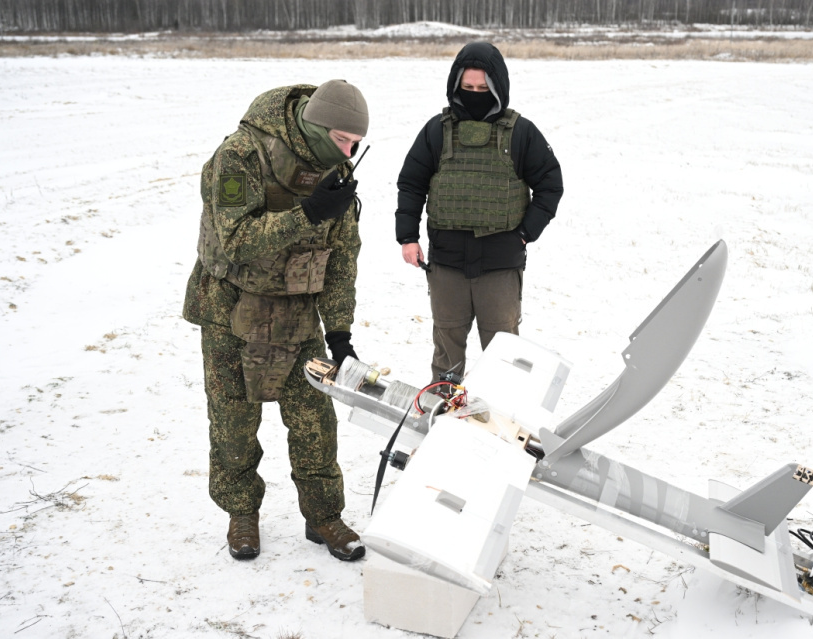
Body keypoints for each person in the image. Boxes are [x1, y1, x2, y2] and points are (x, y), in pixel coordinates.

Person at [182, 80, 368, 562]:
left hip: (297, 313)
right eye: (345, 140)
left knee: (314, 421)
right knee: (233, 422)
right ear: (319, 127)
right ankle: (241, 515)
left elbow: (342, 255)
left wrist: (340, 331)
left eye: (355, 144)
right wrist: (307, 213)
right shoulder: (240, 155)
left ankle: (324, 515)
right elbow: (238, 238)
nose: (350, 152)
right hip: (230, 309)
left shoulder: (335, 170)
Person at [395, 42, 563, 382]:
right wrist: (407, 237)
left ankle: (499, 420)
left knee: (503, 352)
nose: (474, 95)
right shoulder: (436, 131)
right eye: (467, 88)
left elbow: (550, 184)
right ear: (455, 86)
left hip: (500, 261)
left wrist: (525, 233)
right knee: (447, 349)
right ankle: (441, 412)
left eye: (483, 89)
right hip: (447, 262)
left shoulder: (521, 132)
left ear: (498, 87)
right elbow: (411, 184)